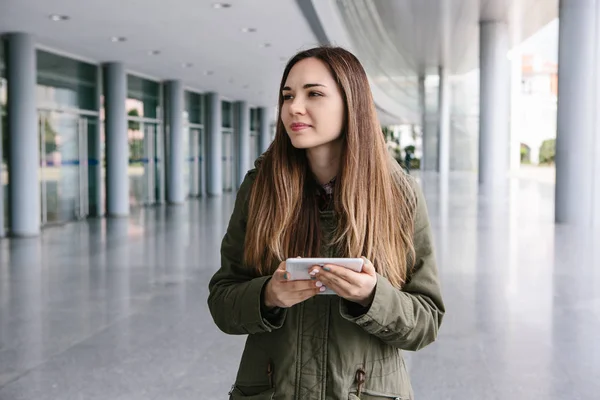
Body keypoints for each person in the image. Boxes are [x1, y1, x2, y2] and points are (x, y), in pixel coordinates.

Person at [208, 46, 444, 400]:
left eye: (313, 94)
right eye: (288, 96)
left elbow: (426, 320)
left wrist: (372, 297)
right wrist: (268, 295)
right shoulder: (260, 187)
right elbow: (222, 301)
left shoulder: (398, 195)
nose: (293, 108)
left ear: (352, 103)